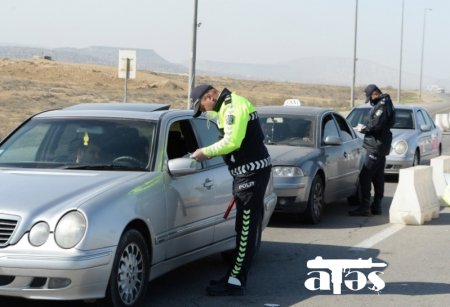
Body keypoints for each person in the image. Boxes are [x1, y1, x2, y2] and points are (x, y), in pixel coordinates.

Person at [190, 84, 272, 296]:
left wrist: (204, 152)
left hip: (251, 174)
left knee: (245, 229)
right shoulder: (227, 107)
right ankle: (233, 275)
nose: (205, 112)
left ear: (210, 96)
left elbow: (232, 142)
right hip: (246, 174)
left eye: (202, 107)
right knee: (242, 228)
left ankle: (236, 282)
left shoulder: (234, 107)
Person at [349, 84, 395, 216]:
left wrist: (363, 129)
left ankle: (365, 206)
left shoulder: (382, 105)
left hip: (376, 146)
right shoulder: (386, 103)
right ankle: (377, 205)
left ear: (375, 93)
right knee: (378, 176)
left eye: (370, 97)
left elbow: (377, 124)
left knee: (365, 175)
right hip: (379, 145)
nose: (370, 101)